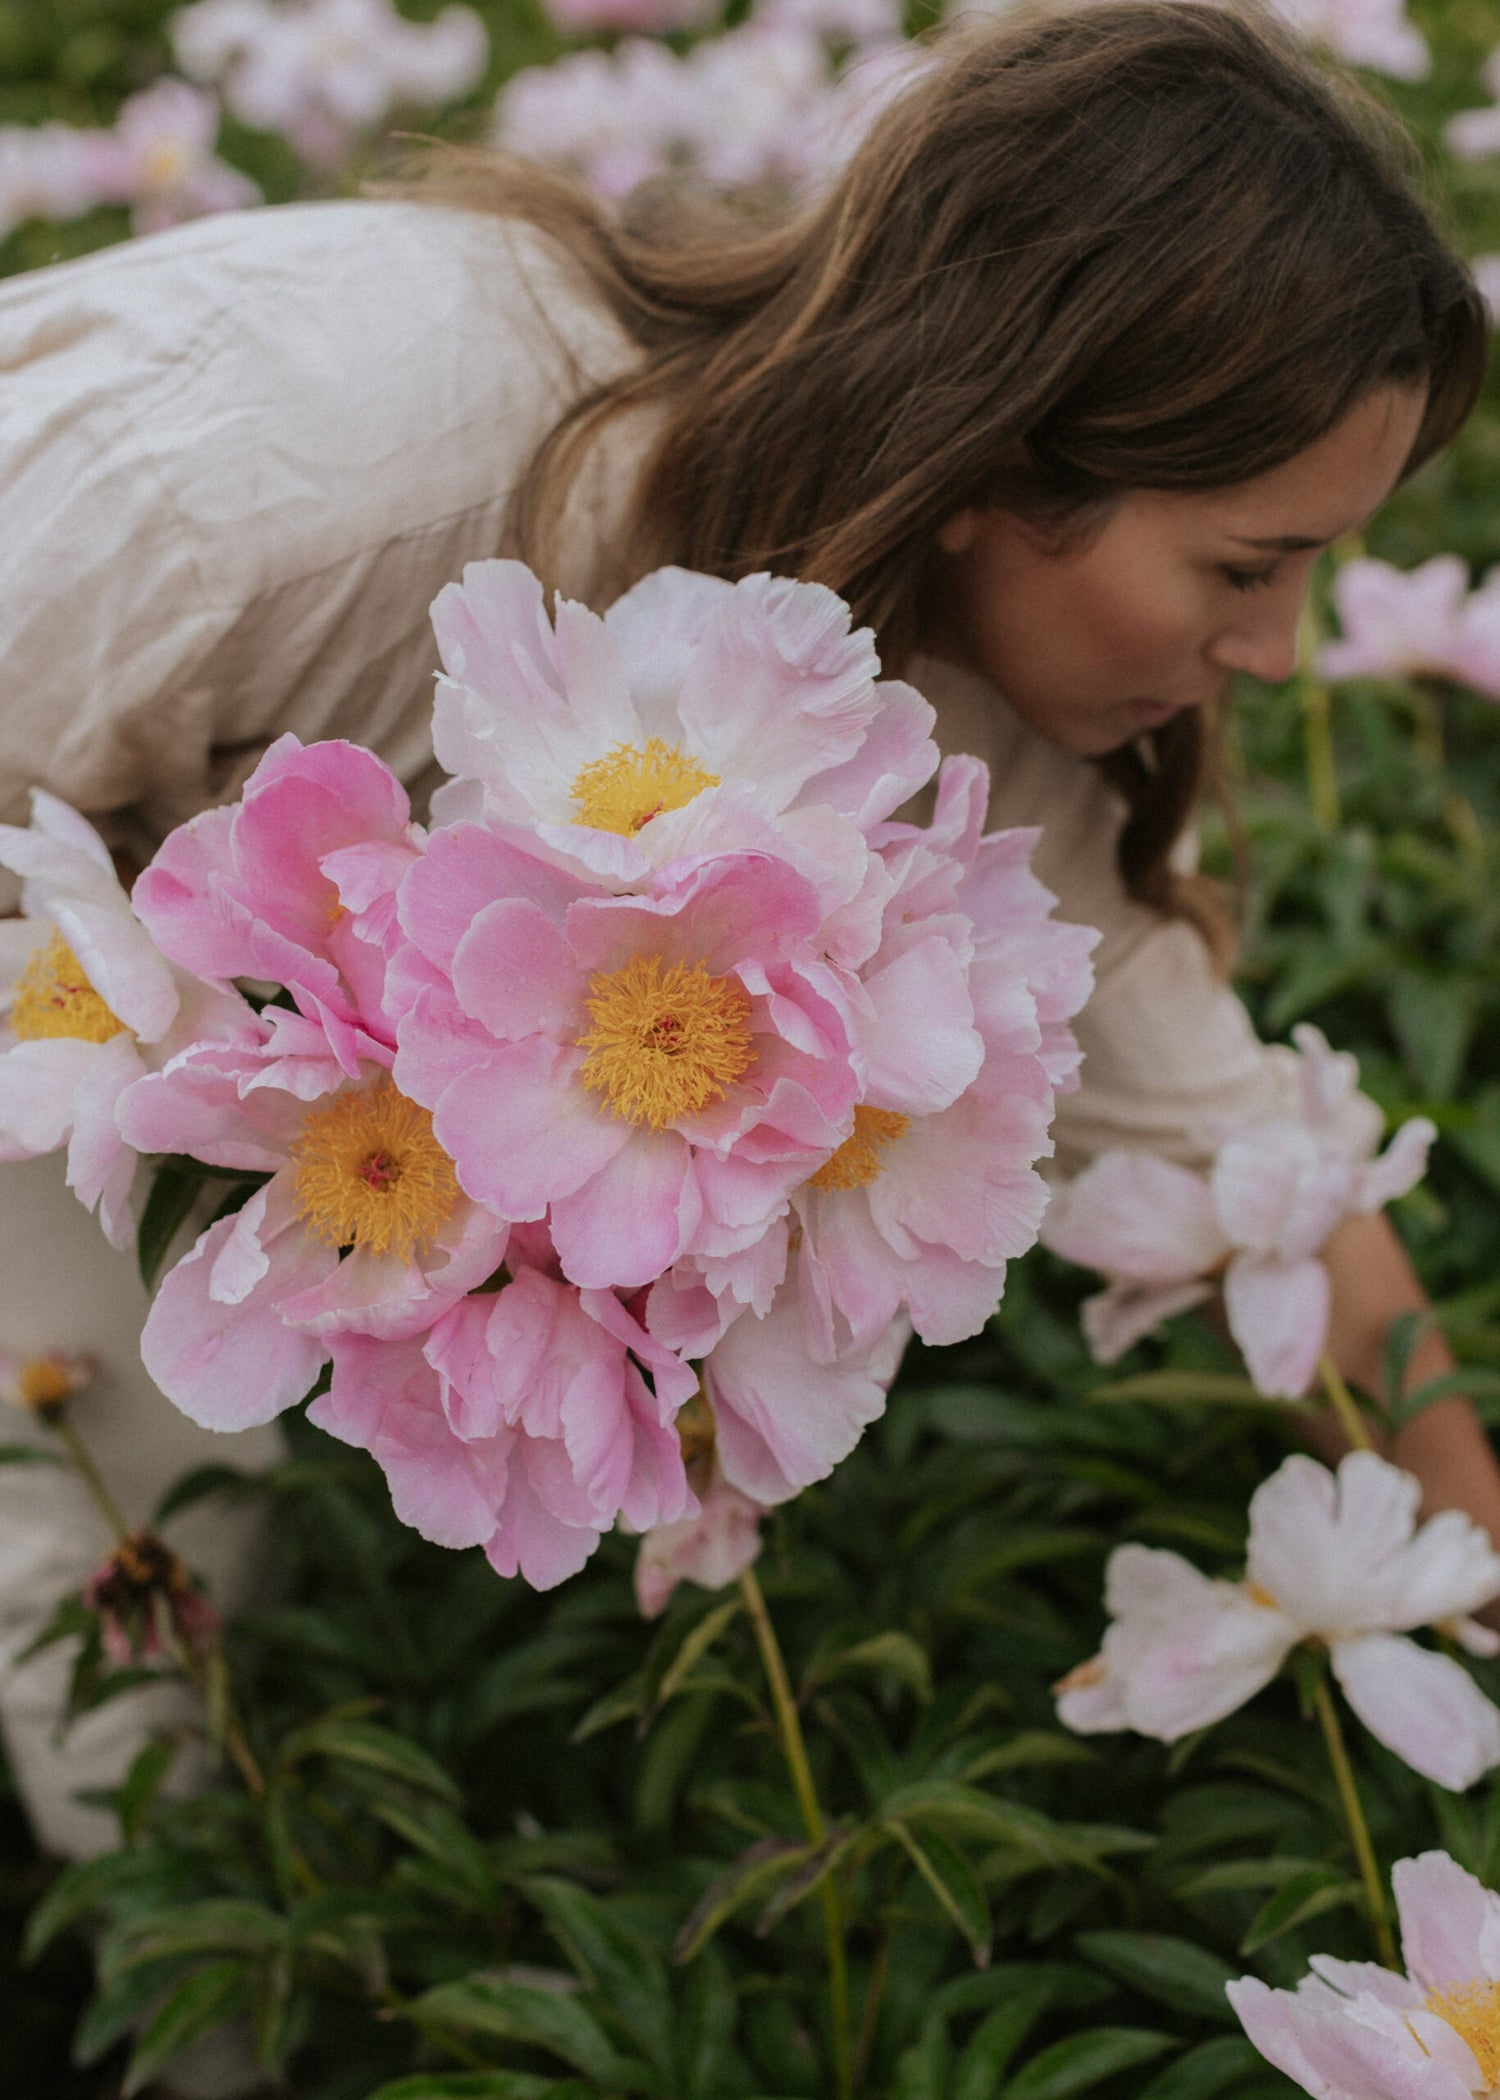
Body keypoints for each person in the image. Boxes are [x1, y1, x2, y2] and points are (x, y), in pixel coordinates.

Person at [0, 0, 1494, 1989]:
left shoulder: (962, 692)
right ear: (1000, 454)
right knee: (112, 1517)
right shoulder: (315, 465)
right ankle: (187, 2039)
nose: (1286, 653)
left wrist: (1469, 1546)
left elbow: (1245, 1162)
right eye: (1246, 567)